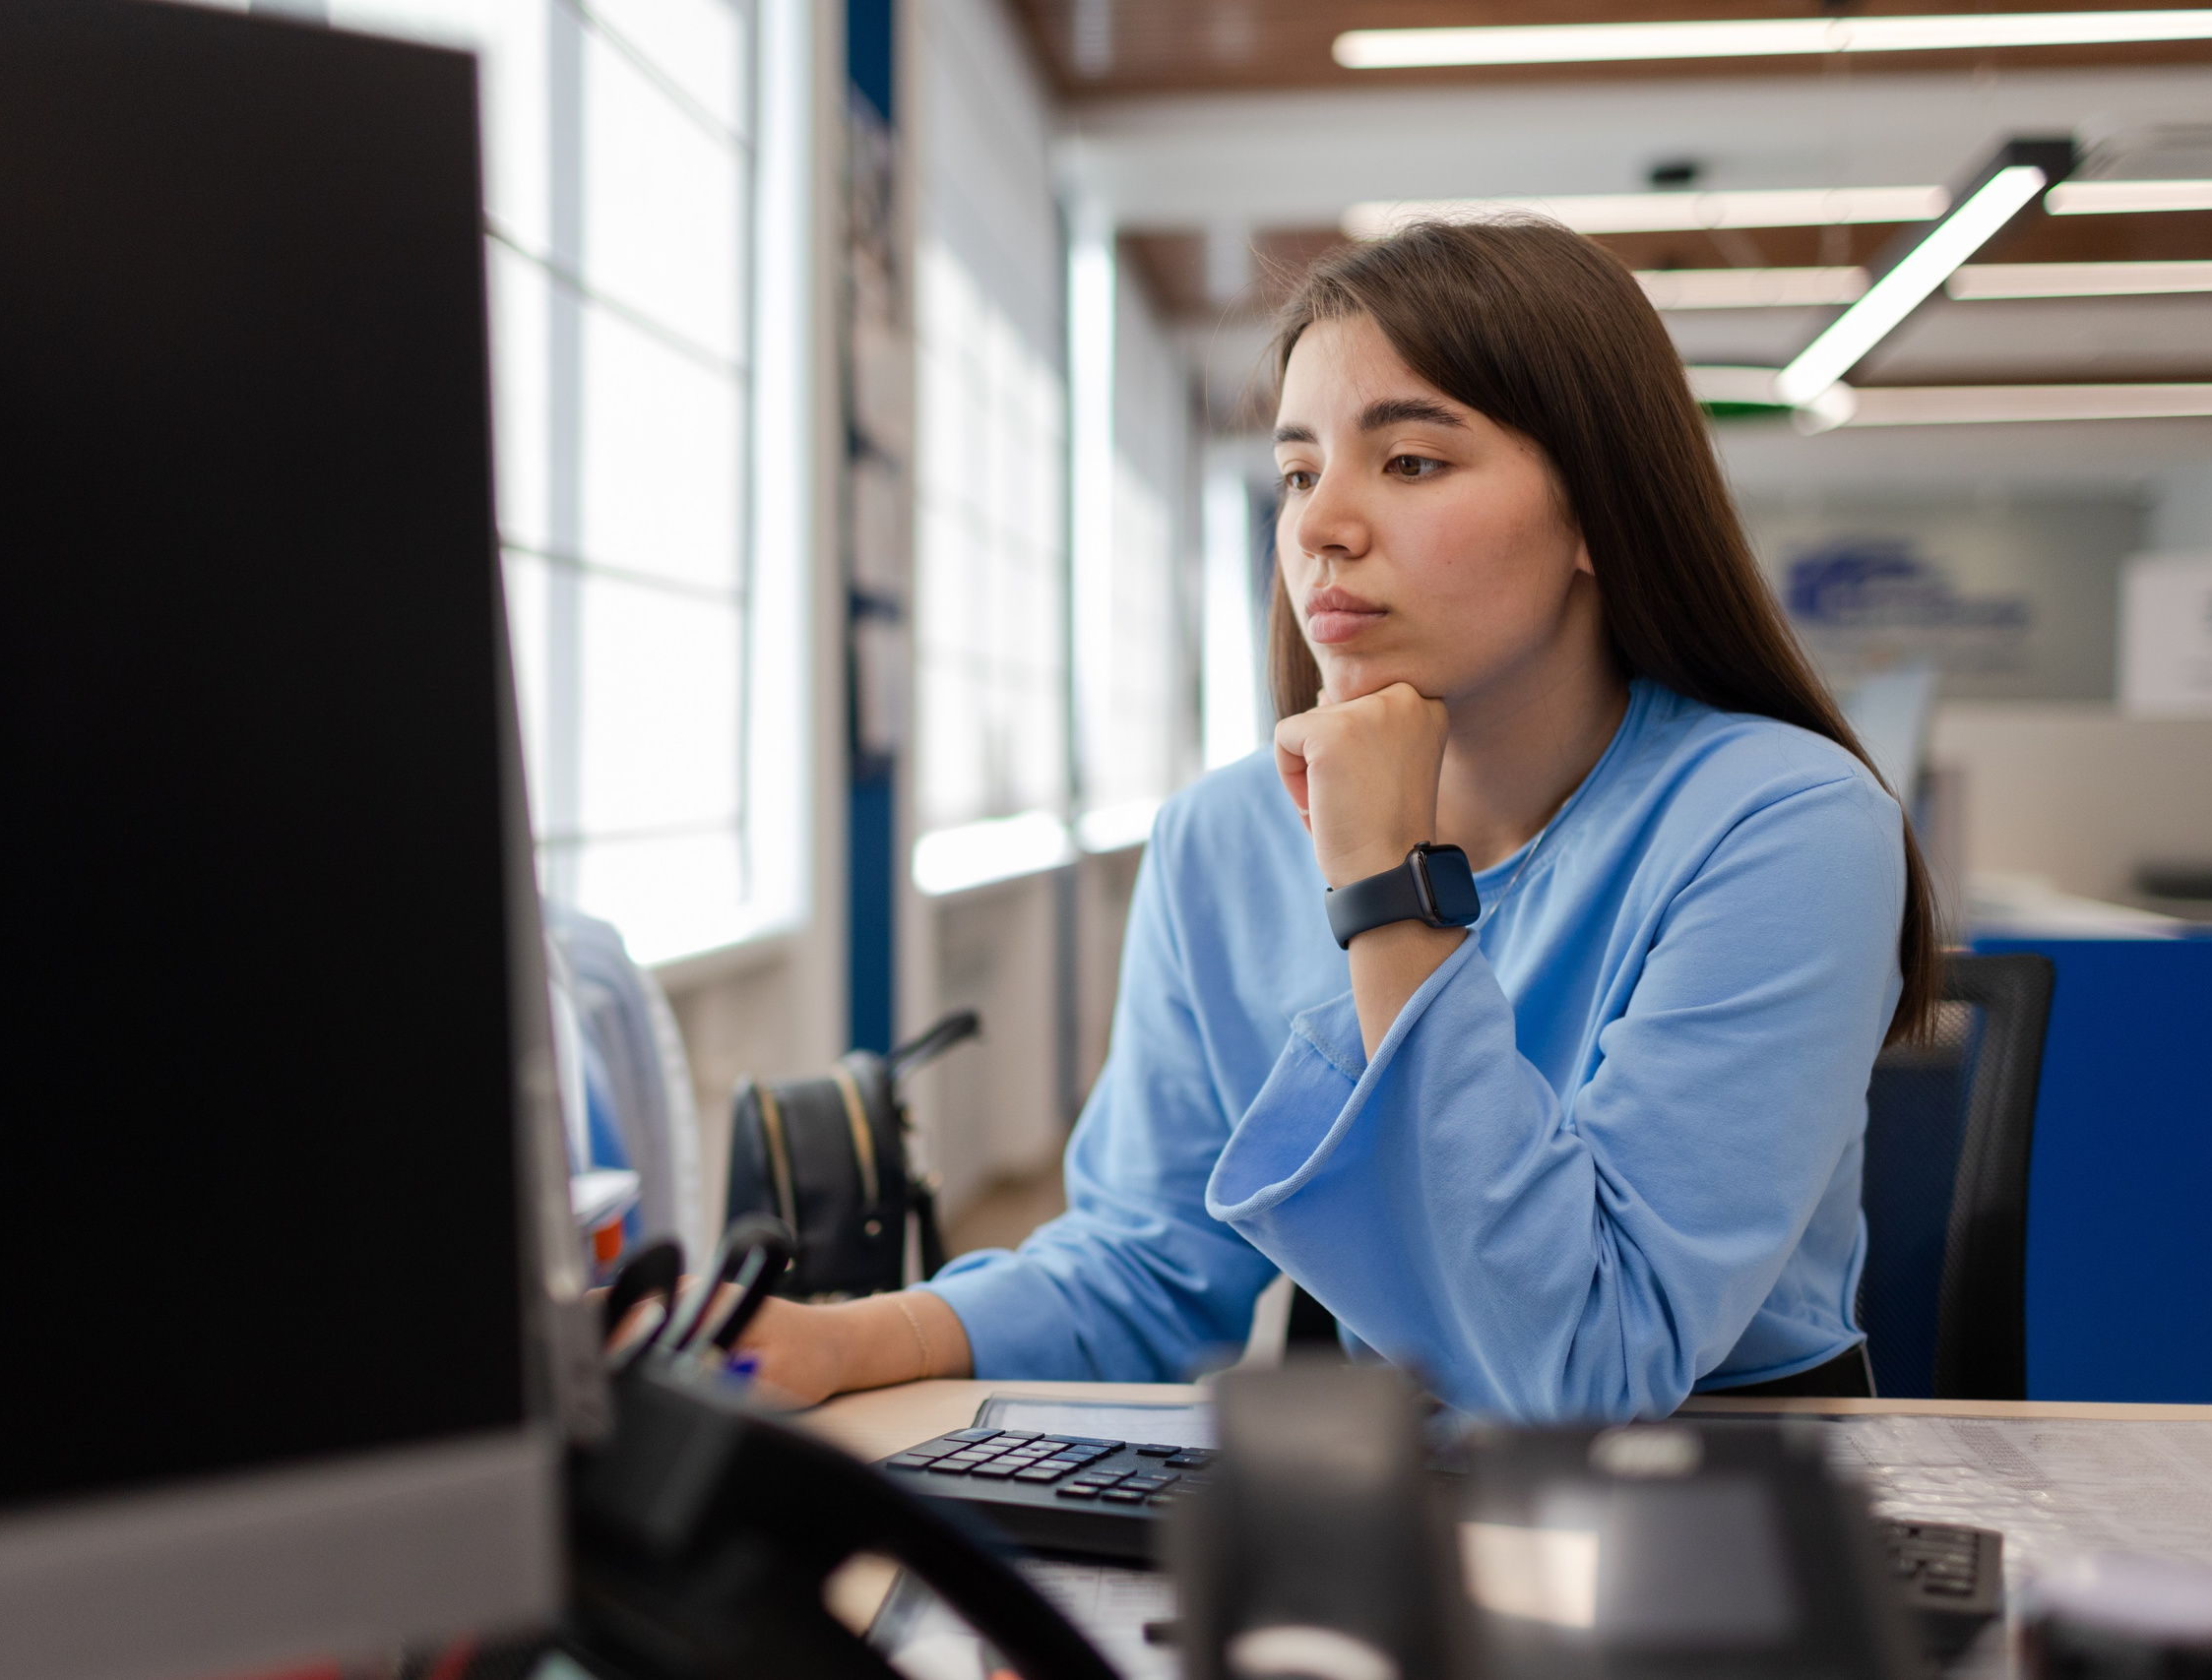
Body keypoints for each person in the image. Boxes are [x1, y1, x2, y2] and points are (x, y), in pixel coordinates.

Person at [732, 218, 1935, 1421]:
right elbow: (1147, 1269)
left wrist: (1385, 887)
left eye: (1409, 462)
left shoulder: (1787, 824)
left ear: (1594, 513)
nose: (1315, 528)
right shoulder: (1220, 839)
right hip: (1395, 1478)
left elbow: (1584, 1363)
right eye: (1298, 471)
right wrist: (843, 1342)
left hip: (1721, 1494)